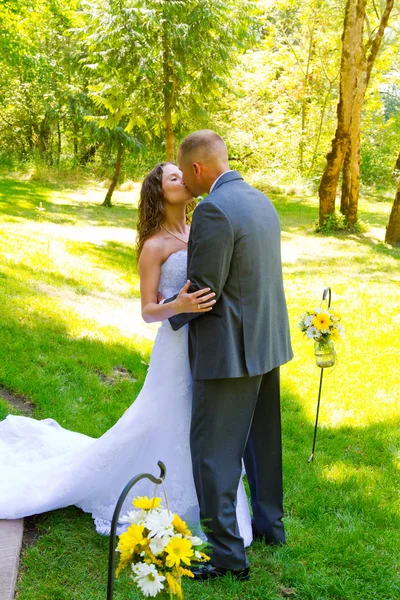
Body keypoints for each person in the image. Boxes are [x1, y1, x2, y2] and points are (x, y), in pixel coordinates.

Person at [0, 162, 253, 545]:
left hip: (210, 343)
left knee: (204, 420)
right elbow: (147, 311)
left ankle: (208, 501)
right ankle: (166, 500)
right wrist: (179, 304)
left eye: (184, 173)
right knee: (169, 418)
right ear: (159, 192)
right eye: (174, 178)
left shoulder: (202, 226)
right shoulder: (154, 246)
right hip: (175, 346)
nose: (184, 179)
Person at [163, 130, 293, 581]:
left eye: (187, 173)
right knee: (262, 444)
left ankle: (227, 555)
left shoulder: (213, 209)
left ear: (198, 169)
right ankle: (270, 526)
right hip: (267, 341)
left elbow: (204, 290)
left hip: (230, 351)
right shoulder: (261, 200)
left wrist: (169, 318)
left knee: (213, 452)